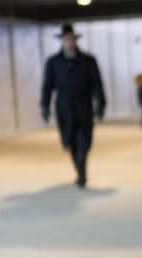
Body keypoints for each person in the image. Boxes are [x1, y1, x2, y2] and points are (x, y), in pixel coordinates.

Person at [40, 23, 106, 188]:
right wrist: (44, 105)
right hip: (64, 108)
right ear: (62, 41)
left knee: (84, 141)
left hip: (84, 106)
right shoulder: (53, 62)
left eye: (71, 39)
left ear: (75, 40)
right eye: (66, 40)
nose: (69, 42)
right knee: (70, 142)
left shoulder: (88, 61)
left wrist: (101, 104)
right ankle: (80, 172)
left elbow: (97, 84)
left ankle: (82, 172)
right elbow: (47, 85)